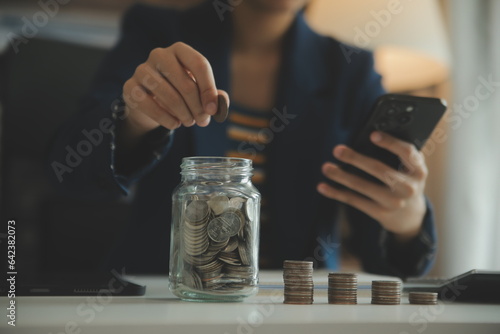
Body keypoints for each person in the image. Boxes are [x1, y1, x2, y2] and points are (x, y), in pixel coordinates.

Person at [49, 0, 436, 277]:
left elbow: (383, 258)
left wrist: (407, 221)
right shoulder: (157, 32)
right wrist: (135, 116)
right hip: (162, 295)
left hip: (296, 306)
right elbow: (69, 170)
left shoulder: (351, 70)